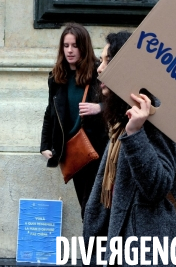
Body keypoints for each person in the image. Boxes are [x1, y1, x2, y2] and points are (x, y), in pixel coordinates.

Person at [83, 31, 176, 266]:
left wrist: (135, 134)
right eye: (101, 61)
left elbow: (158, 187)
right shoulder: (122, 120)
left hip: (149, 249)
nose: (99, 68)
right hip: (123, 246)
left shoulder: (156, 117)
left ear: (127, 67)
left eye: (107, 60)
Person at [40, 23, 108, 220]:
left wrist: (99, 108)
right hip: (73, 151)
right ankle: (93, 249)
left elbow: (120, 104)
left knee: (96, 207)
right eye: (66, 45)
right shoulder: (56, 77)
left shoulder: (98, 72)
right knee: (86, 207)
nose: (70, 50)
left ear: (84, 47)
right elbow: (49, 113)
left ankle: (97, 249)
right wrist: (45, 145)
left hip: (97, 149)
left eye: (75, 45)